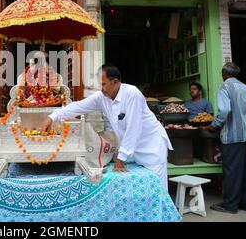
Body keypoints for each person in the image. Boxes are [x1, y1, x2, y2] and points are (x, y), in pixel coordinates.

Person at [41, 64, 173, 192]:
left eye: (103, 84)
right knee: (141, 189)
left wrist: (121, 158)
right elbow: (78, 106)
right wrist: (52, 117)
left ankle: (162, 214)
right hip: (134, 150)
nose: (101, 88)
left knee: (157, 188)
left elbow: (134, 128)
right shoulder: (102, 97)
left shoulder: (132, 94)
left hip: (152, 147)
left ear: (115, 82)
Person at [203, 62, 246, 214]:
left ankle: (230, 205)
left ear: (224, 73)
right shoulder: (245, 87)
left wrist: (215, 125)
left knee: (231, 172)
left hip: (231, 137)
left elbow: (225, 110)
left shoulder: (224, 87)